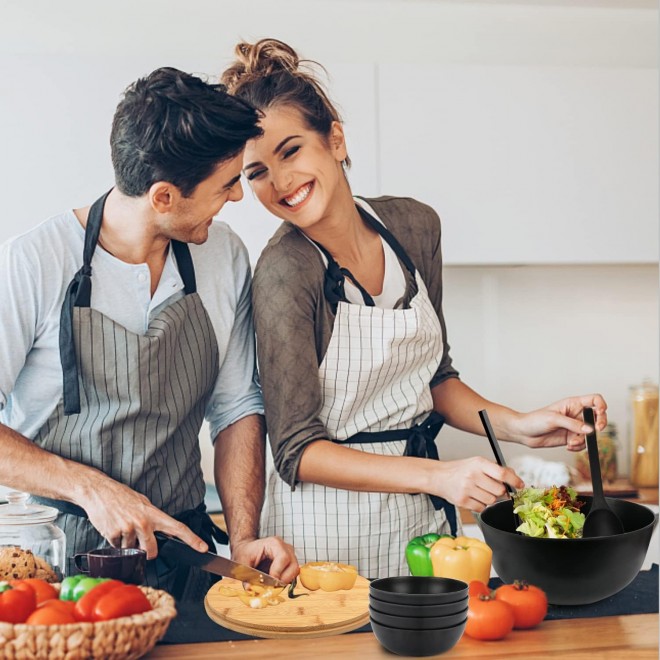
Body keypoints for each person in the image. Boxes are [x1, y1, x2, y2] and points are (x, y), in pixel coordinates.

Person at [220, 39, 609, 579]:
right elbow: (295, 451)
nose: (280, 183)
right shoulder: (286, 272)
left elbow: (436, 379)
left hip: (422, 527)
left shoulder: (414, 227)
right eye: (256, 172)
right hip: (324, 539)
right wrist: (438, 475)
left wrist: (521, 425)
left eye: (291, 151)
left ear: (334, 137)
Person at [0, 67, 298, 599]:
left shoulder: (223, 255)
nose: (237, 197)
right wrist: (91, 488)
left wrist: (244, 536)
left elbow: (235, 408)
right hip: (55, 570)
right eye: (227, 184)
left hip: (183, 560)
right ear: (163, 197)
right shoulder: (33, 264)